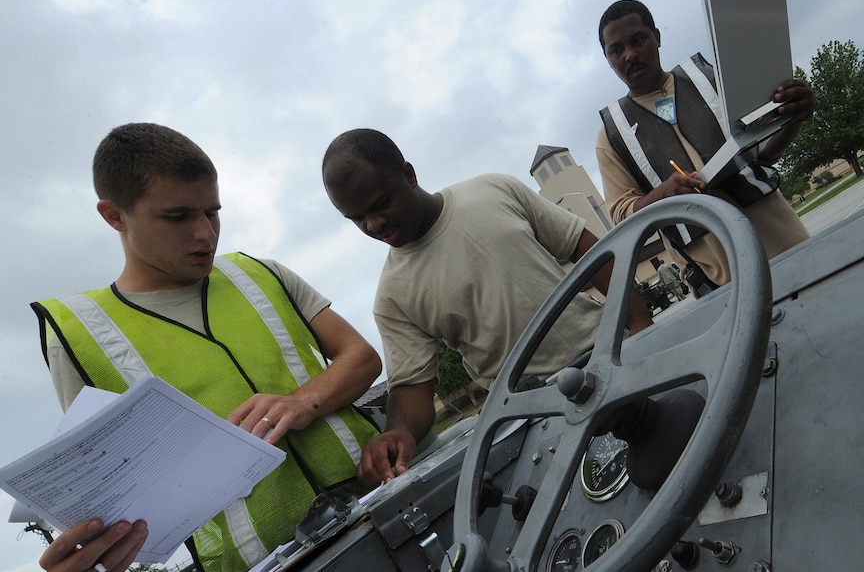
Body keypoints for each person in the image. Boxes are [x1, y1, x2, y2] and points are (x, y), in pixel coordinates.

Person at [31, 123, 381, 572]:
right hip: (262, 563)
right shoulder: (77, 335)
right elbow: (114, 488)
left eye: (212, 212)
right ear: (114, 215)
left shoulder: (261, 274)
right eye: (178, 217)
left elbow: (362, 357)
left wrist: (303, 402)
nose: (205, 234)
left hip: (382, 504)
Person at [321, 128, 653, 487]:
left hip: (612, 358)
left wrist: (641, 326)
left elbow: (589, 251)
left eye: (381, 203)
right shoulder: (392, 296)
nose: (373, 225)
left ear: (408, 174)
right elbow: (413, 387)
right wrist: (399, 432)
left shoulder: (493, 191)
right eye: (357, 219)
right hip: (535, 413)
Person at [596, 0, 811, 291]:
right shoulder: (612, 134)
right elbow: (623, 215)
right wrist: (661, 195)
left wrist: (793, 118)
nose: (630, 55)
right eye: (616, 50)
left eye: (638, 40)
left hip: (786, 243)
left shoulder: (712, 79)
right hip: (723, 283)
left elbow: (763, 154)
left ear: (657, 37)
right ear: (608, 58)